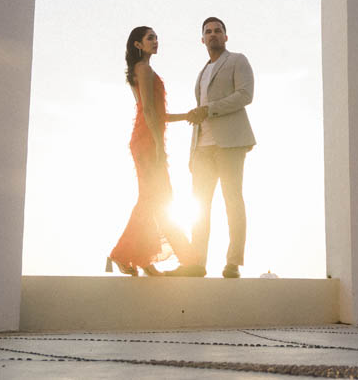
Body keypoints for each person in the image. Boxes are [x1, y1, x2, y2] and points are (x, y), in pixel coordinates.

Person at [107, 26, 204, 277]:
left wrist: (187, 116)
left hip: (146, 138)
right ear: (138, 44)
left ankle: (142, 258)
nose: (156, 41)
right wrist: (159, 145)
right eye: (150, 38)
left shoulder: (140, 70)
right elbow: (150, 111)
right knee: (156, 199)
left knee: (155, 199)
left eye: (156, 37)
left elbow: (155, 113)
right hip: (148, 141)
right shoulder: (144, 69)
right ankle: (124, 255)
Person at [166, 17, 255, 279]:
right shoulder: (202, 72)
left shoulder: (237, 60)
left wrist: (209, 109)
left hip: (229, 144)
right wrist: (192, 152)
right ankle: (196, 263)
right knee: (200, 207)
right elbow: (199, 111)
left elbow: (245, 95)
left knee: (232, 201)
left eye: (218, 31)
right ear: (202, 39)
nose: (213, 34)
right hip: (201, 148)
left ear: (226, 37)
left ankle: (233, 263)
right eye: (208, 32)